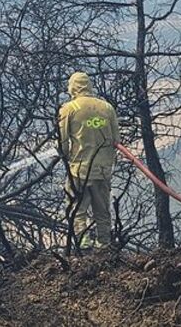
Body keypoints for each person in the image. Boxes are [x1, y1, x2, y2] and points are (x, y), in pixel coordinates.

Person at [58, 72, 121, 249]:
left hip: (79, 170)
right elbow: (116, 140)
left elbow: (62, 144)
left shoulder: (68, 109)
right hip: (102, 170)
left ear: (73, 87)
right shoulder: (107, 108)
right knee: (102, 212)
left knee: (78, 209)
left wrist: (65, 156)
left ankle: (83, 244)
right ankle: (104, 245)